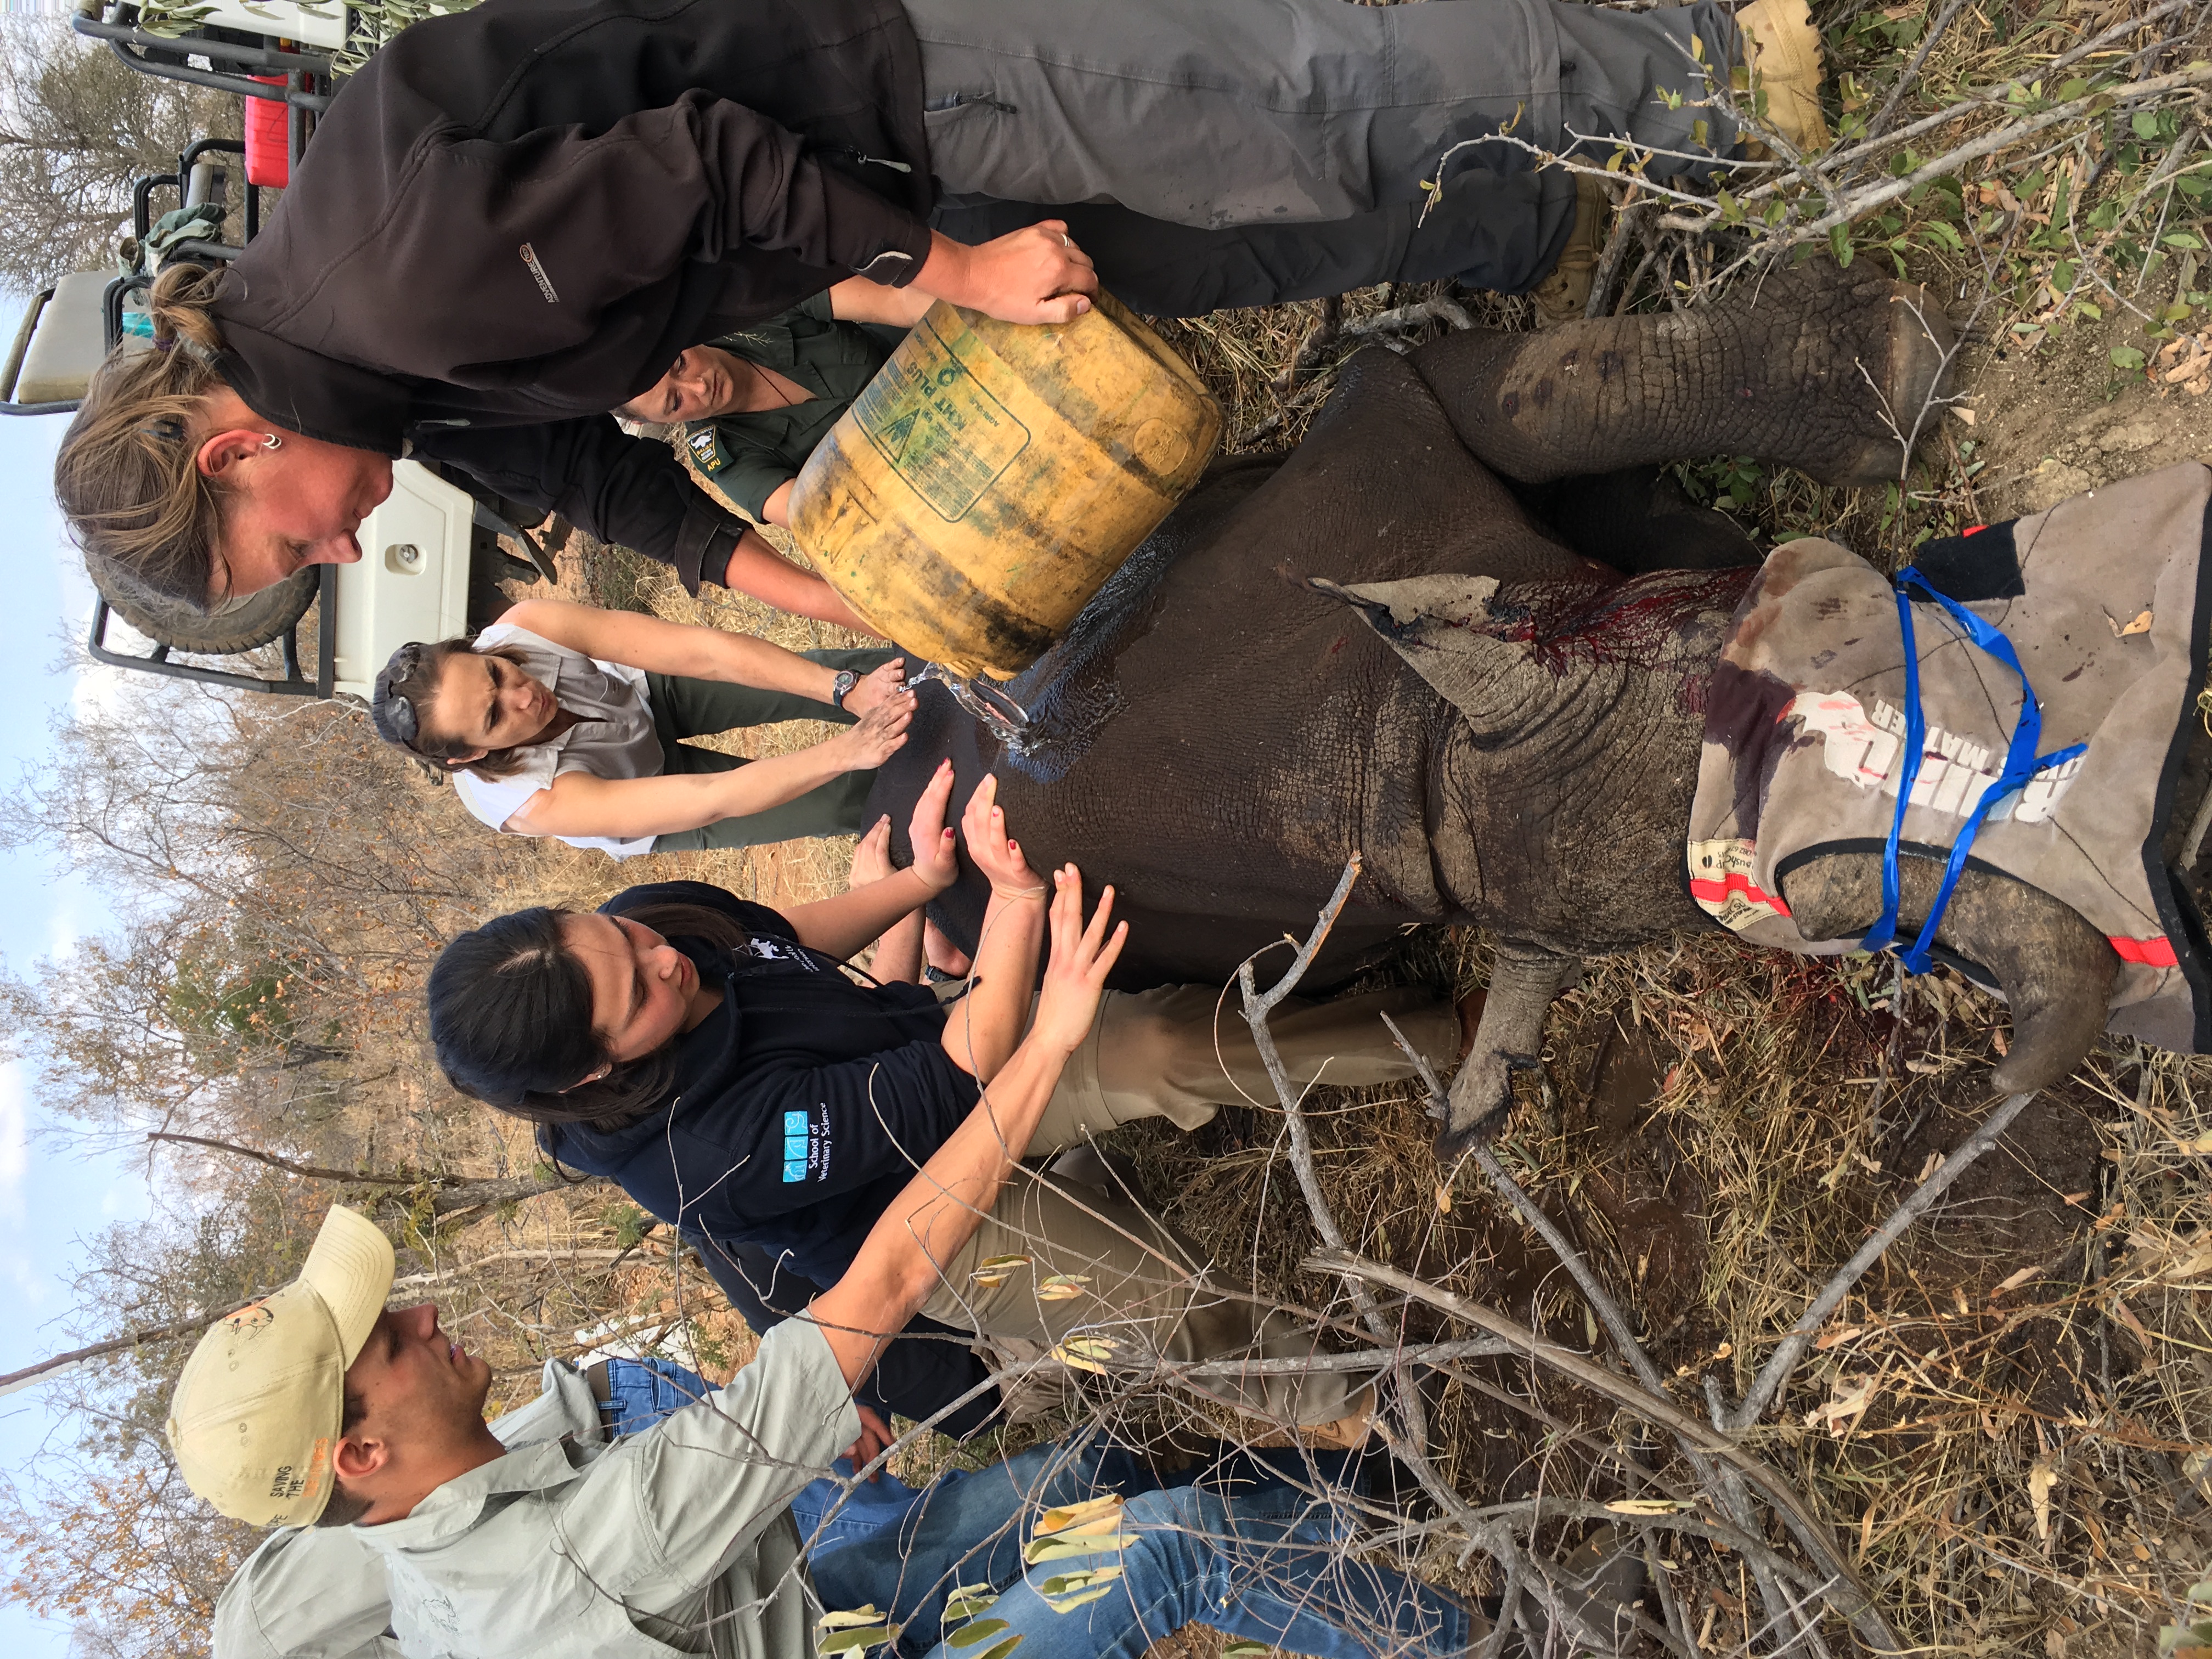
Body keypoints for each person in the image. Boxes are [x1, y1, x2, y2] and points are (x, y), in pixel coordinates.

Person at [52, 0, 1830, 612]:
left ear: (230, 447)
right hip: (888, 168)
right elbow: (578, 477)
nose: (340, 556)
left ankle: (1705, 65)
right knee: (1197, 258)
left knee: (1290, 95)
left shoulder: (392, 287)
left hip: (889, 75)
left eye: (287, 552)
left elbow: (711, 173)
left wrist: (951, 280)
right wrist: (825, 590)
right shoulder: (375, 376)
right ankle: (1528, 215)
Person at [173, 877, 1499, 1659]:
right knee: (1161, 1550)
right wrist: (1042, 1029)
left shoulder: (395, 1533)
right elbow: (868, 1292)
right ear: (359, 1457)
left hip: (812, 1612)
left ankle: (1397, 1502)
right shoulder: (564, 1570)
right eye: (386, 1345)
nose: (418, 1313)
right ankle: (1507, 1636)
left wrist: (923, 882)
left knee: (1081, 1482)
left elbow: (602, 1403)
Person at [427, 766, 1473, 1438]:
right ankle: (1351, 1399)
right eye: (636, 988)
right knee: (1157, 1302)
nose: (663, 958)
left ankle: (1443, 1035)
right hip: (925, 1215)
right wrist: (1012, 909)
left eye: (622, 935)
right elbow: (953, 1082)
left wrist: (921, 880)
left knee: (1162, 1044)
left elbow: (778, 935)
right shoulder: (698, 1151)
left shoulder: (646, 927)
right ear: (585, 1075)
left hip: (921, 1038)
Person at [369, 598, 911, 857]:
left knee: (863, 677)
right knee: (843, 801)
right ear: (467, 757)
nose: (523, 695)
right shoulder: (532, 802)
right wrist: (845, 753)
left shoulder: (525, 626)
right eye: (495, 717)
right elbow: (712, 797)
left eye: (495, 671)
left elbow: (708, 654)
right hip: (647, 797)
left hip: (643, 699)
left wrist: (843, 688)